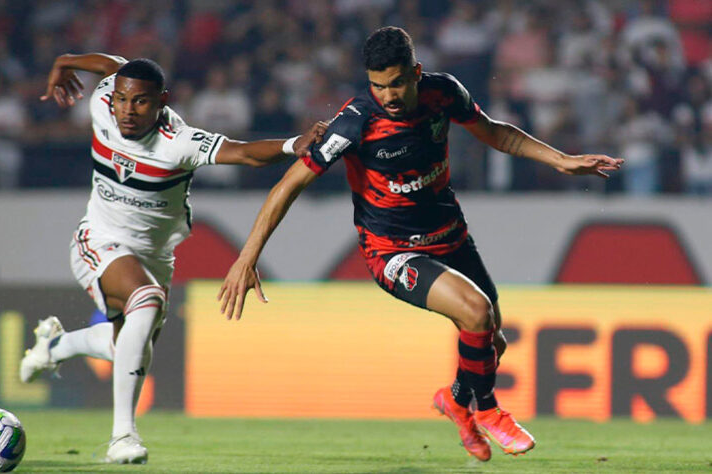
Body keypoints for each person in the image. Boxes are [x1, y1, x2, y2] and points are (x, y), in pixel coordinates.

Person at [218, 27, 623, 462]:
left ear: (416, 73)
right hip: (392, 250)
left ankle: (455, 402)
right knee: (477, 311)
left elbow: (494, 132)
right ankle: (487, 410)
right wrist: (247, 256)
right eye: (377, 85)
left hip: (451, 235)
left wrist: (562, 161)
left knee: (492, 342)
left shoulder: (443, 93)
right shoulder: (355, 122)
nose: (387, 95)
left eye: (395, 83)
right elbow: (289, 183)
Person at [18, 52, 326, 464]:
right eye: (122, 100)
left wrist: (293, 145)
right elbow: (116, 66)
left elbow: (245, 152)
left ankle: (54, 347)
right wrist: (66, 60)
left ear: (162, 101)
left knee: (126, 345)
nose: (128, 110)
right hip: (99, 239)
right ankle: (122, 437)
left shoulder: (178, 142)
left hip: (155, 257)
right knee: (146, 301)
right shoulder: (104, 100)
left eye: (141, 102)